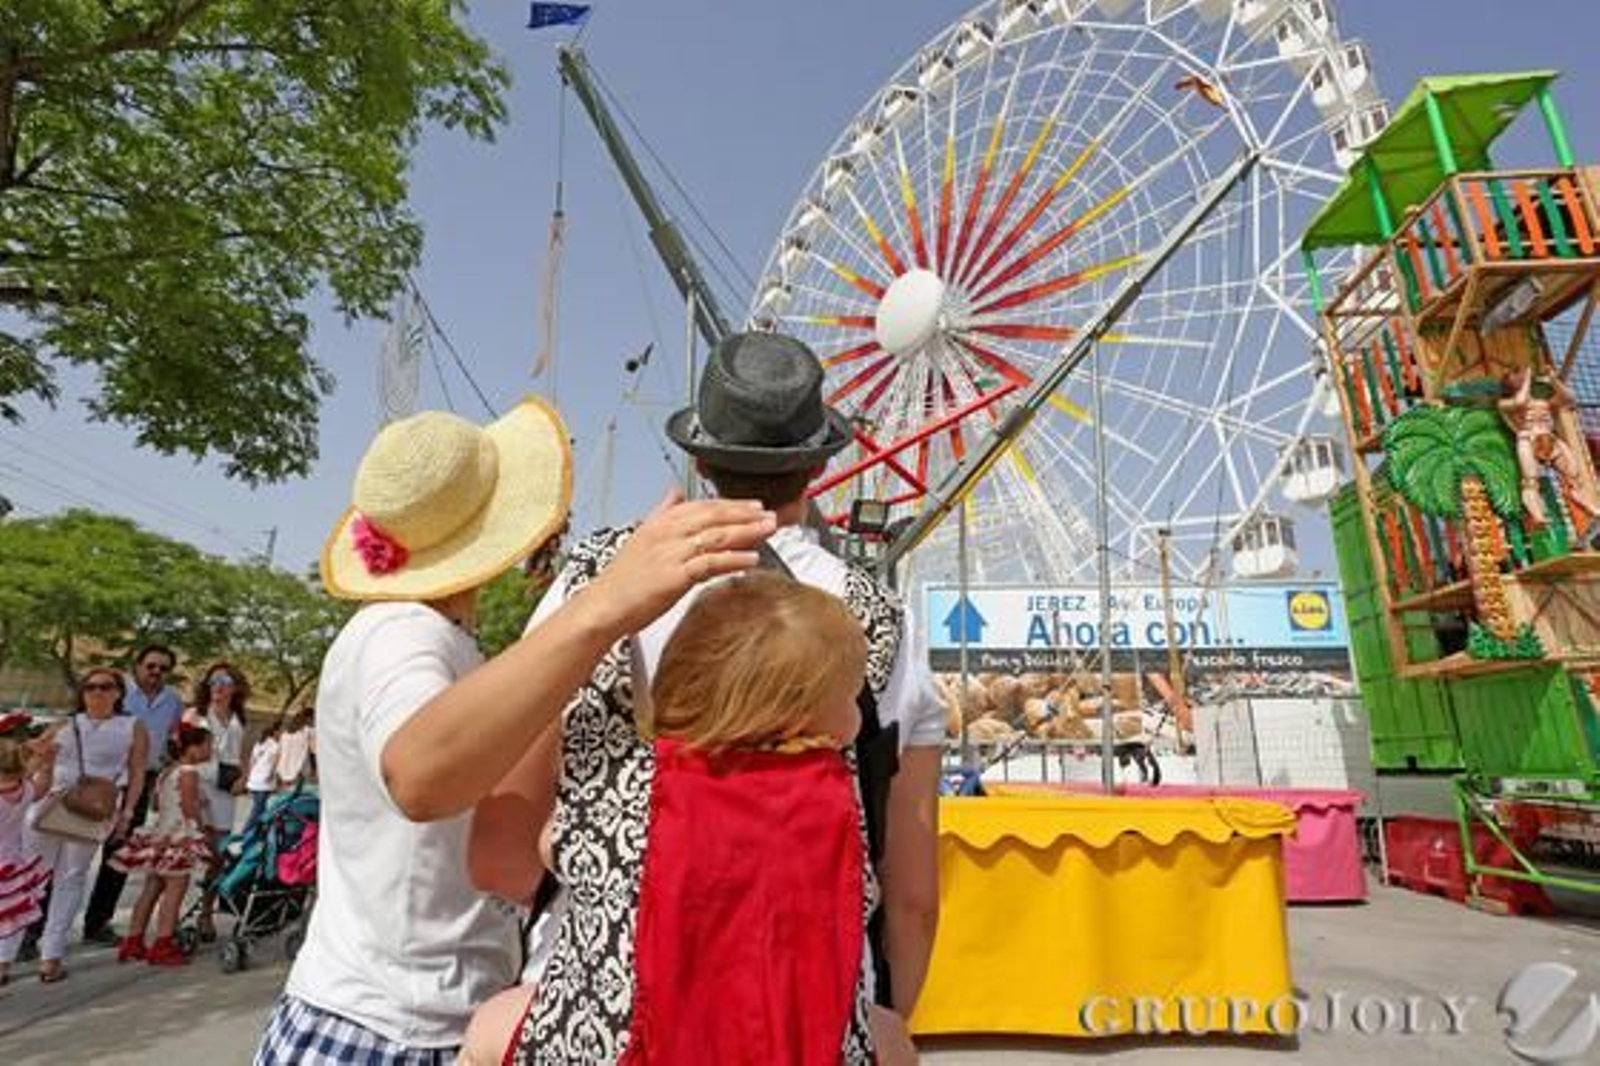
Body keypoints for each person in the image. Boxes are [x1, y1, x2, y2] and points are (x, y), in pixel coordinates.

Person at [255, 399, 774, 1064]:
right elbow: (420, 775)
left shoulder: (434, 637)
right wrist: (605, 606)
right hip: (394, 1029)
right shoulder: (402, 633)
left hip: (398, 1014)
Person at [471, 331, 943, 1064]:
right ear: (818, 464)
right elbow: (911, 898)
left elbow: (502, 853)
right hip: (811, 1019)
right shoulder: (884, 622)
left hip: (598, 1018)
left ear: (698, 456)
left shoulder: (598, 581)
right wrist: (877, 1022)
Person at [462, 574, 889, 1064]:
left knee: (489, 1025)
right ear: (796, 718)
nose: (857, 714)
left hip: (628, 1043)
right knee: (889, 1034)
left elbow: (549, 845)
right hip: (794, 1043)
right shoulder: (833, 800)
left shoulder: (633, 784)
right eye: (851, 696)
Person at [31, 668, 149, 983]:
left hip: (94, 806)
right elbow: (33, 762)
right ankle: (7, 951)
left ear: (119, 692)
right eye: (90, 687)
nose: (97, 693)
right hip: (51, 802)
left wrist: (127, 813)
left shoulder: (131, 726)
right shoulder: (64, 724)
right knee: (30, 876)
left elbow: (137, 773)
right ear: (82, 692)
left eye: (106, 687)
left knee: (71, 878)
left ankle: (51, 955)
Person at [82, 643, 183, 945]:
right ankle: (35, 932)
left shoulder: (173, 701)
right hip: (101, 780)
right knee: (75, 854)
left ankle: (98, 922)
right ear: (137, 666)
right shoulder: (114, 690)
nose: (156, 673)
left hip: (141, 783)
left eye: (163, 669)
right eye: (151, 666)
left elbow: (170, 743)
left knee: (120, 856)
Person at [108, 723, 214, 966]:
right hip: (179, 836)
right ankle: (163, 944)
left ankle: (133, 941)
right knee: (174, 892)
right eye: (207, 745)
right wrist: (200, 829)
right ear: (192, 748)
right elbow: (189, 807)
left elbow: (156, 804)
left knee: (151, 889)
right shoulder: (189, 772)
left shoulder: (167, 772)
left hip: (159, 834)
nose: (211, 750)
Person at [185, 662, 250, 941]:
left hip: (225, 791)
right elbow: (180, 752)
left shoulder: (239, 718)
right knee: (187, 849)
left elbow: (244, 755)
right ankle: (176, 912)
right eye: (212, 682)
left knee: (217, 856)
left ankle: (205, 913)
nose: (218, 687)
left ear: (235, 688)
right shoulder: (194, 715)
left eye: (224, 682)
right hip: (197, 786)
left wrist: (243, 779)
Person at [0, 714, 53, 986]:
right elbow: (41, 785)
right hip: (13, 864)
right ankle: (3, 966)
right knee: (11, 918)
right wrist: (47, 762)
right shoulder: (24, 790)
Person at [242, 721, 282, 833]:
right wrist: (272, 776)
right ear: (274, 733)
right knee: (258, 808)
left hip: (254, 780)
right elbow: (275, 763)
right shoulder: (276, 745)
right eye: (279, 732)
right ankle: (246, 831)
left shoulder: (258, 744)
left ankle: (260, 831)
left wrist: (249, 776)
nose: (280, 734)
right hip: (265, 781)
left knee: (260, 807)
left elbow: (252, 761)